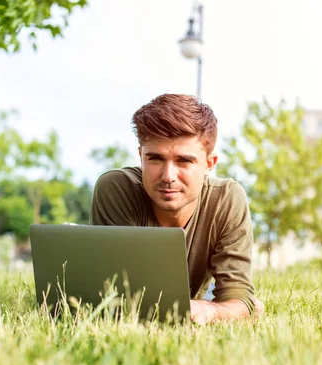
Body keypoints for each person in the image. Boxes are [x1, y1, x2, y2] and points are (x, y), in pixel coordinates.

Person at [89, 94, 264, 324]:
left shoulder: (227, 200)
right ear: (141, 156)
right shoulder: (117, 190)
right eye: (155, 159)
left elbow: (239, 298)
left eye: (184, 161)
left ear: (209, 164)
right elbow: (117, 297)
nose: (168, 176)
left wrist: (211, 310)